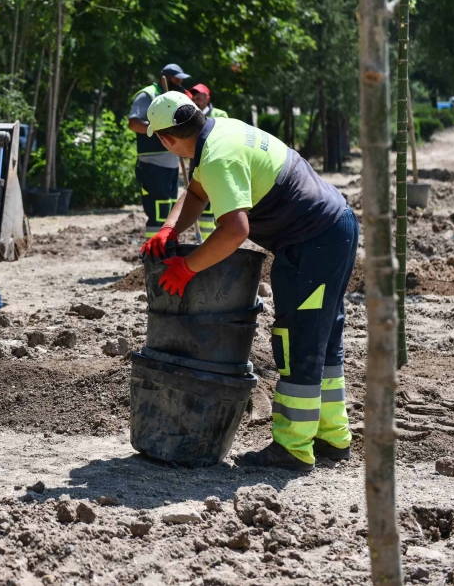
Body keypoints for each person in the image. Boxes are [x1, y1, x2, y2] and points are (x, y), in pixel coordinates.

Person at [141, 91, 357, 472]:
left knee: (299, 339)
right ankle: (331, 436)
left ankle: (293, 448)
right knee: (323, 338)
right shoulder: (222, 132)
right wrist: (170, 228)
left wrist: (186, 267)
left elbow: (234, 231)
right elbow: (196, 193)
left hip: (312, 242)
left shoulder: (219, 156)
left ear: (165, 139)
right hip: (332, 229)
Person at [127, 64, 190, 239]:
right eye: (177, 79)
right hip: (153, 164)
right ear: (167, 77)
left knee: (168, 212)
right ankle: (153, 255)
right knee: (157, 214)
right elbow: (133, 123)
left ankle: (163, 249)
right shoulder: (148, 95)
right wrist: (160, 128)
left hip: (171, 163)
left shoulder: (173, 97)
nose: (180, 83)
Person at [187, 83, 227, 240]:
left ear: (207, 98)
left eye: (200, 96)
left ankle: (221, 240)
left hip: (217, 165)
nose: (196, 99)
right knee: (201, 204)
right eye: (194, 96)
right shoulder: (189, 115)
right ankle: (205, 241)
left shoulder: (219, 114)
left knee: (218, 204)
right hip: (197, 165)